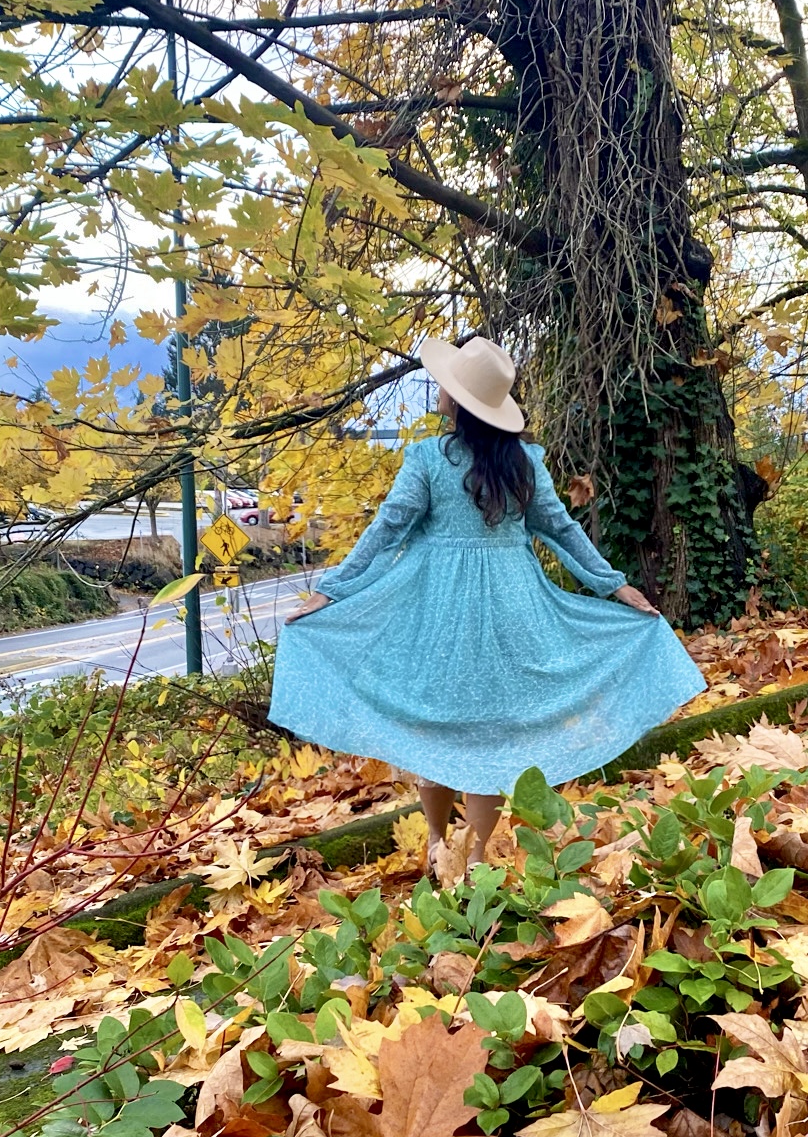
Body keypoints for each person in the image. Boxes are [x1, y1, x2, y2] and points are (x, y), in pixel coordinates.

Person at [269, 334, 707, 869]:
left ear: (457, 402)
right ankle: (474, 859)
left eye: (444, 385)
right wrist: (611, 584)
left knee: (435, 725)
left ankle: (438, 844)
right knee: (492, 733)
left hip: (439, 609)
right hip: (512, 605)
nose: (438, 390)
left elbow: (388, 530)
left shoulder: (429, 459)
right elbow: (561, 528)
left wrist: (332, 589)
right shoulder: (523, 462)